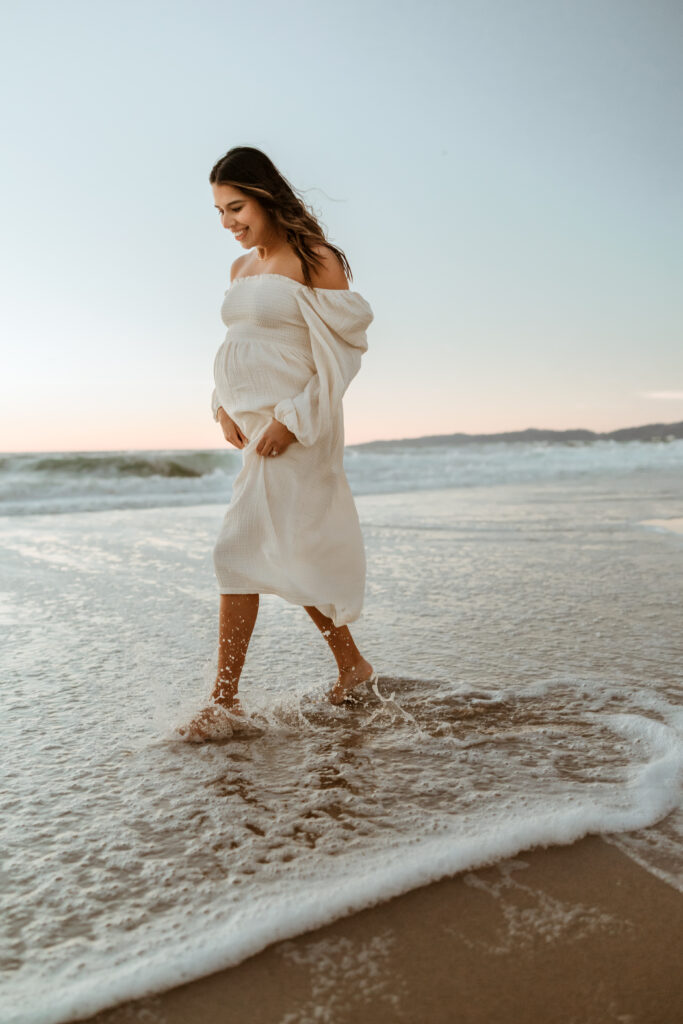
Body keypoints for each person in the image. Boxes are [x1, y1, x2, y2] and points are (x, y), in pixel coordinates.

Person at [178, 146, 378, 742]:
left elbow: (343, 354)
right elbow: (239, 343)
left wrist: (290, 419)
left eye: (236, 207)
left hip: (296, 429)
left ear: (265, 197)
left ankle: (223, 701)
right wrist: (220, 405)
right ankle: (353, 667)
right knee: (287, 549)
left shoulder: (312, 258)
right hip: (255, 431)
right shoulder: (241, 272)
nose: (228, 222)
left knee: (236, 550)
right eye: (218, 211)